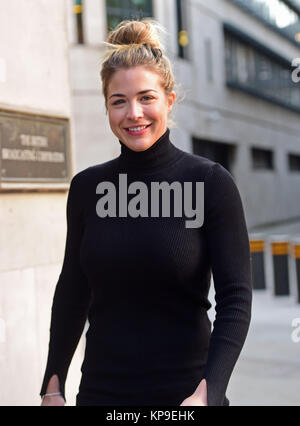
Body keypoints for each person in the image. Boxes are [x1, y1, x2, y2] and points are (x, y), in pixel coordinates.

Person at [40, 18, 252, 407]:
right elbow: (72, 289)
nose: (133, 113)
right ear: (106, 106)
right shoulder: (87, 188)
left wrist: (209, 392)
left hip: (185, 395)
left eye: (146, 97)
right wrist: (53, 384)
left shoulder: (210, 183)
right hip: (101, 393)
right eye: (119, 101)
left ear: (169, 100)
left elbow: (236, 297)